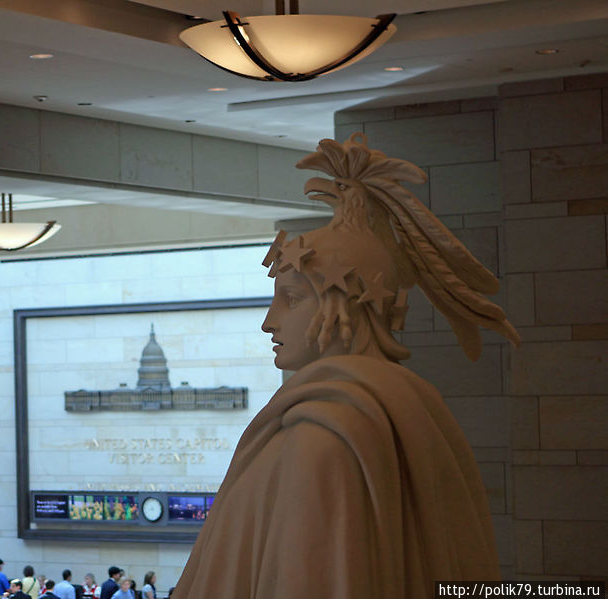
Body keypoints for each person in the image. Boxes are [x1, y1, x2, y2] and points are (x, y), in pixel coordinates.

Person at [172, 134, 515, 598]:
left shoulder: (322, 437)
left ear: (345, 307)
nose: (270, 322)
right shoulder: (415, 410)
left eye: (291, 299)